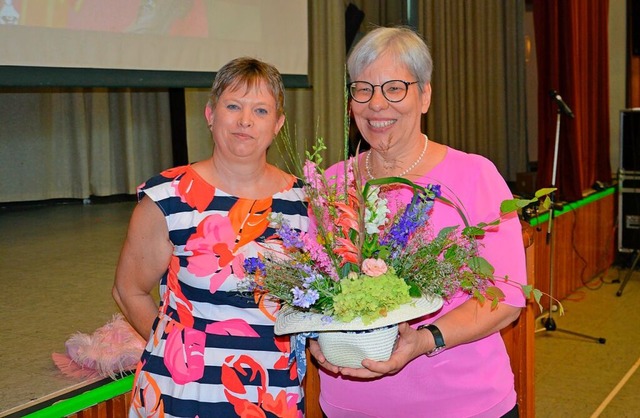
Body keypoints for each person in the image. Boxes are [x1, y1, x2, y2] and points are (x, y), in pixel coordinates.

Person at [309, 27, 527, 417]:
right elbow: (311, 284)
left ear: (425, 95)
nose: (377, 105)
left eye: (395, 88)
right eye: (363, 89)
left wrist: (426, 340)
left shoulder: (475, 176)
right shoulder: (331, 183)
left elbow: (507, 298)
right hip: (351, 405)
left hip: (462, 404)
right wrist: (314, 332)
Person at [112, 57, 308, 417]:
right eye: (232, 106)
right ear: (210, 114)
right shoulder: (169, 196)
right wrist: (177, 350)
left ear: (278, 124)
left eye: (260, 110)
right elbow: (129, 290)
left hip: (271, 393)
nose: (245, 121)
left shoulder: (304, 204)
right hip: (180, 391)